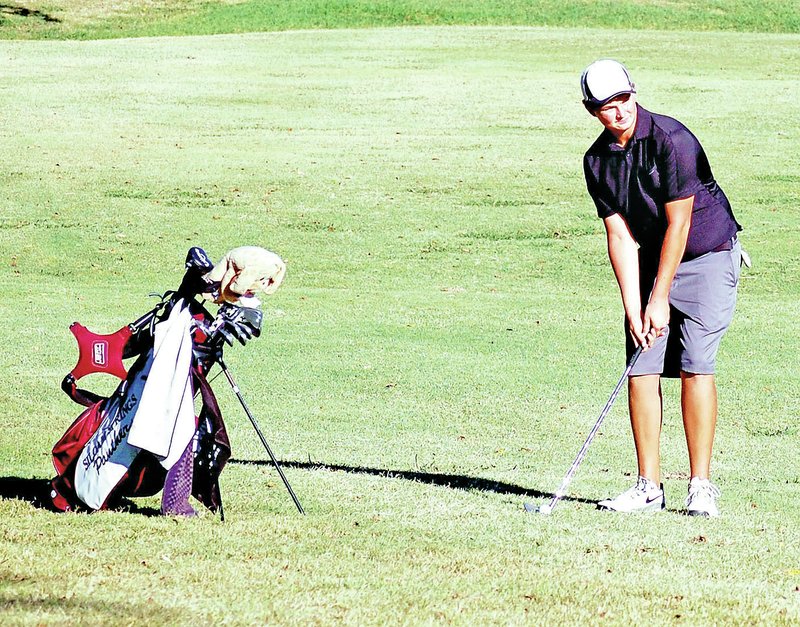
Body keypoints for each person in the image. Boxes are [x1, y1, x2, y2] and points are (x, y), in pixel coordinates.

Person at [580, 59, 744, 516]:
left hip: (708, 254)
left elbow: (680, 222)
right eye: (606, 106)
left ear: (634, 93)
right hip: (653, 261)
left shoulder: (673, 140)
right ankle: (648, 486)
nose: (618, 112)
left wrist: (659, 298)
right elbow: (620, 236)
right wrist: (635, 308)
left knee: (695, 363)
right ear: (591, 110)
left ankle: (700, 485)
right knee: (640, 366)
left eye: (623, 100)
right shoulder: (596, 162)